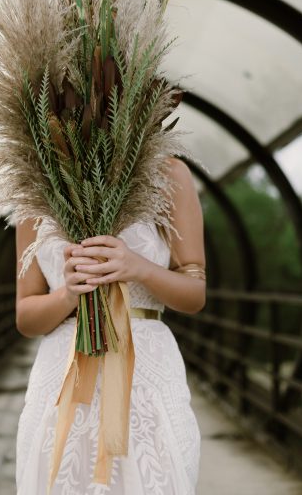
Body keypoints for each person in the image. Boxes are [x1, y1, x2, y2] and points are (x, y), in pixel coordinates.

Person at [15, 155, 206, 494]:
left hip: (146, 372)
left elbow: (195, 294)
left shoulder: (168, 172)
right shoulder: (34, 177)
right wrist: (69, 294)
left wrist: (138, 267)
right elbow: (26, 317)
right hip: (61, 374)